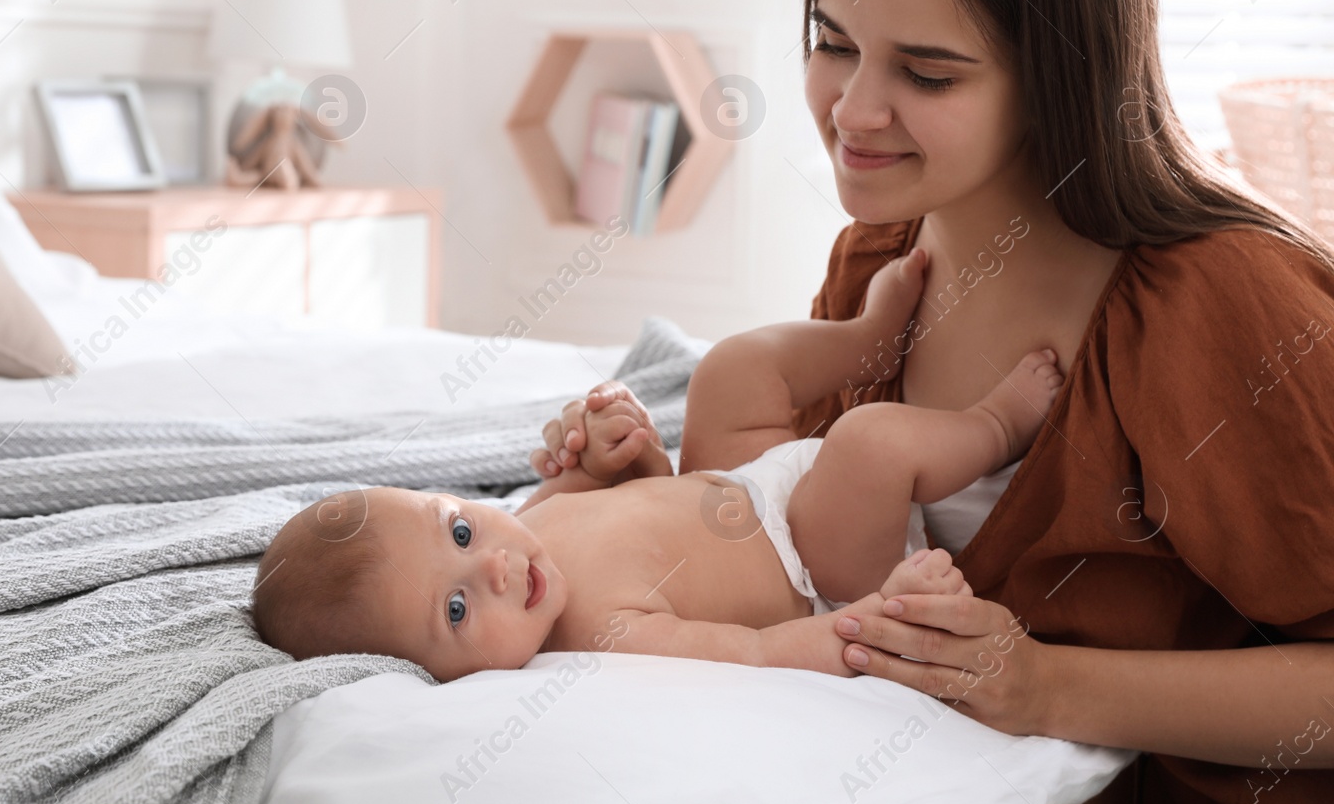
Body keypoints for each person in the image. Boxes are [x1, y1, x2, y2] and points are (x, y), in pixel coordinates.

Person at [532, 0, 1334, 804]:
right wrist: (645, 504)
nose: (852, 109)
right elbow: (802, 562)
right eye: (833, 44)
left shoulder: (1222, 301)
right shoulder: (880, 258)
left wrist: (1041, 684)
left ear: (1059, 81)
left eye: (927, 72)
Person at [251, 250, 1066, 683]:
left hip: (747, 487)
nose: (494, 566)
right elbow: (750, 654)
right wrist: (869, 620)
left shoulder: (528, 523)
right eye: (457, 611)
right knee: (867, 442)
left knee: (727, 371)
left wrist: (621, 444)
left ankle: (868, 334)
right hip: (816, 560)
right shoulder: (603, 635)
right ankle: (998, 423)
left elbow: (644, 487)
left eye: (459, 529)